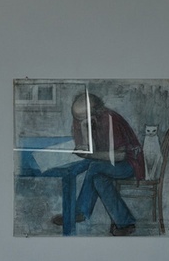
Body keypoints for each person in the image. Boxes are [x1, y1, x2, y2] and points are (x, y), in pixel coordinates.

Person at [46, 91, 146, 236]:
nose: (77, 121)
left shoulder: (110, 120)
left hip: (130, 164)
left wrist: (90, 154)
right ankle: (125, 223)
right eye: (76, 117)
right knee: (98, 178)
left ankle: (79, 212)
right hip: (106, 164)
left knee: (94, 167)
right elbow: (88, 148)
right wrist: (84, 128)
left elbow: (120, 155)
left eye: (82, 118)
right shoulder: (80, 121)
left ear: (97, 113)